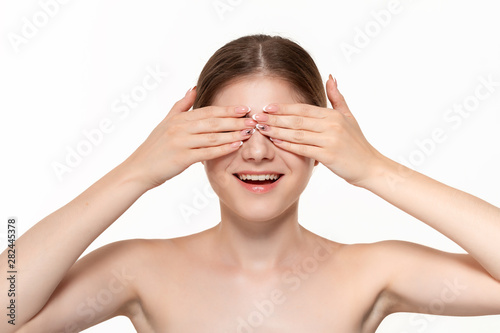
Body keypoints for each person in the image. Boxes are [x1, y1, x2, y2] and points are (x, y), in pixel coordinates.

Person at [2, 34, 500, 333]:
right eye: (231, 131)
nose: (258, 152)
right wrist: (137, 171)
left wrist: (373, 168)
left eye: (283, 131)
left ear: (325, 144)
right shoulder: (138, 269)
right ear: (190, 141)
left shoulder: (373, 271)